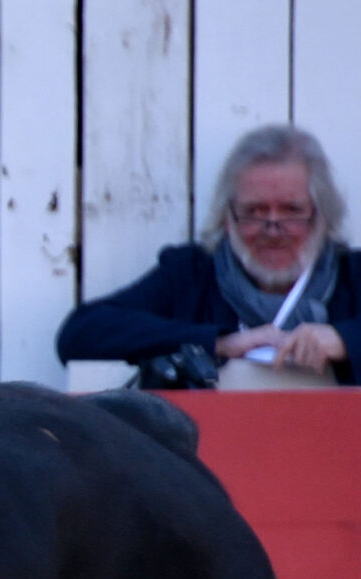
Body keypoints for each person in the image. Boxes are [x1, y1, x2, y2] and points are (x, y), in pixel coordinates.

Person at [57, 123, 361, 388]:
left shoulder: (353, 276)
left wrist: (345, 339)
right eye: (254, 212)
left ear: (322, 215)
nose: (273, 229)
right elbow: (80, 334)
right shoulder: (191, 275)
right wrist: (217, 342)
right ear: (226, 218)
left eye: (292, 211)